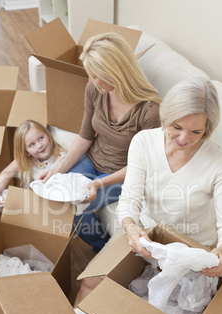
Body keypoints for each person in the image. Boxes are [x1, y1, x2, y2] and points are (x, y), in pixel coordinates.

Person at [39, 32, 162, 254]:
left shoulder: (150, 111)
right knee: (56, 193)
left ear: (116, 73)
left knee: (76, 205)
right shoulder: (95, 91)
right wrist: (57, 170)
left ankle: (105, 253)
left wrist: (99, 184)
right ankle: (103, 246)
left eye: (96, 76)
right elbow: (85, 136)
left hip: (125, 174)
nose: (91, 82)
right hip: (91, 159)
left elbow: (143, 166)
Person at [117, 77, 222, 278]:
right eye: (176, 127)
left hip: (194, 248)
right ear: (166, 118)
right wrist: (131, 228)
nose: (184, 139)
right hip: (150, 237)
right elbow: (129, 199)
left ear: (207, 129)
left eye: (196, 131)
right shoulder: (143, 142)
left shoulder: (221, 161)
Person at [0, 120, 65, 208]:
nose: (39, 145)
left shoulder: (62, 158)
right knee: (2, 195)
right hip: (31, 202)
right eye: (32, 144)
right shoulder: (29, 159)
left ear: (48, 135)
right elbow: (6, 173)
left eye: (41, 138)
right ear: (26, 152)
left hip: (53, 203)